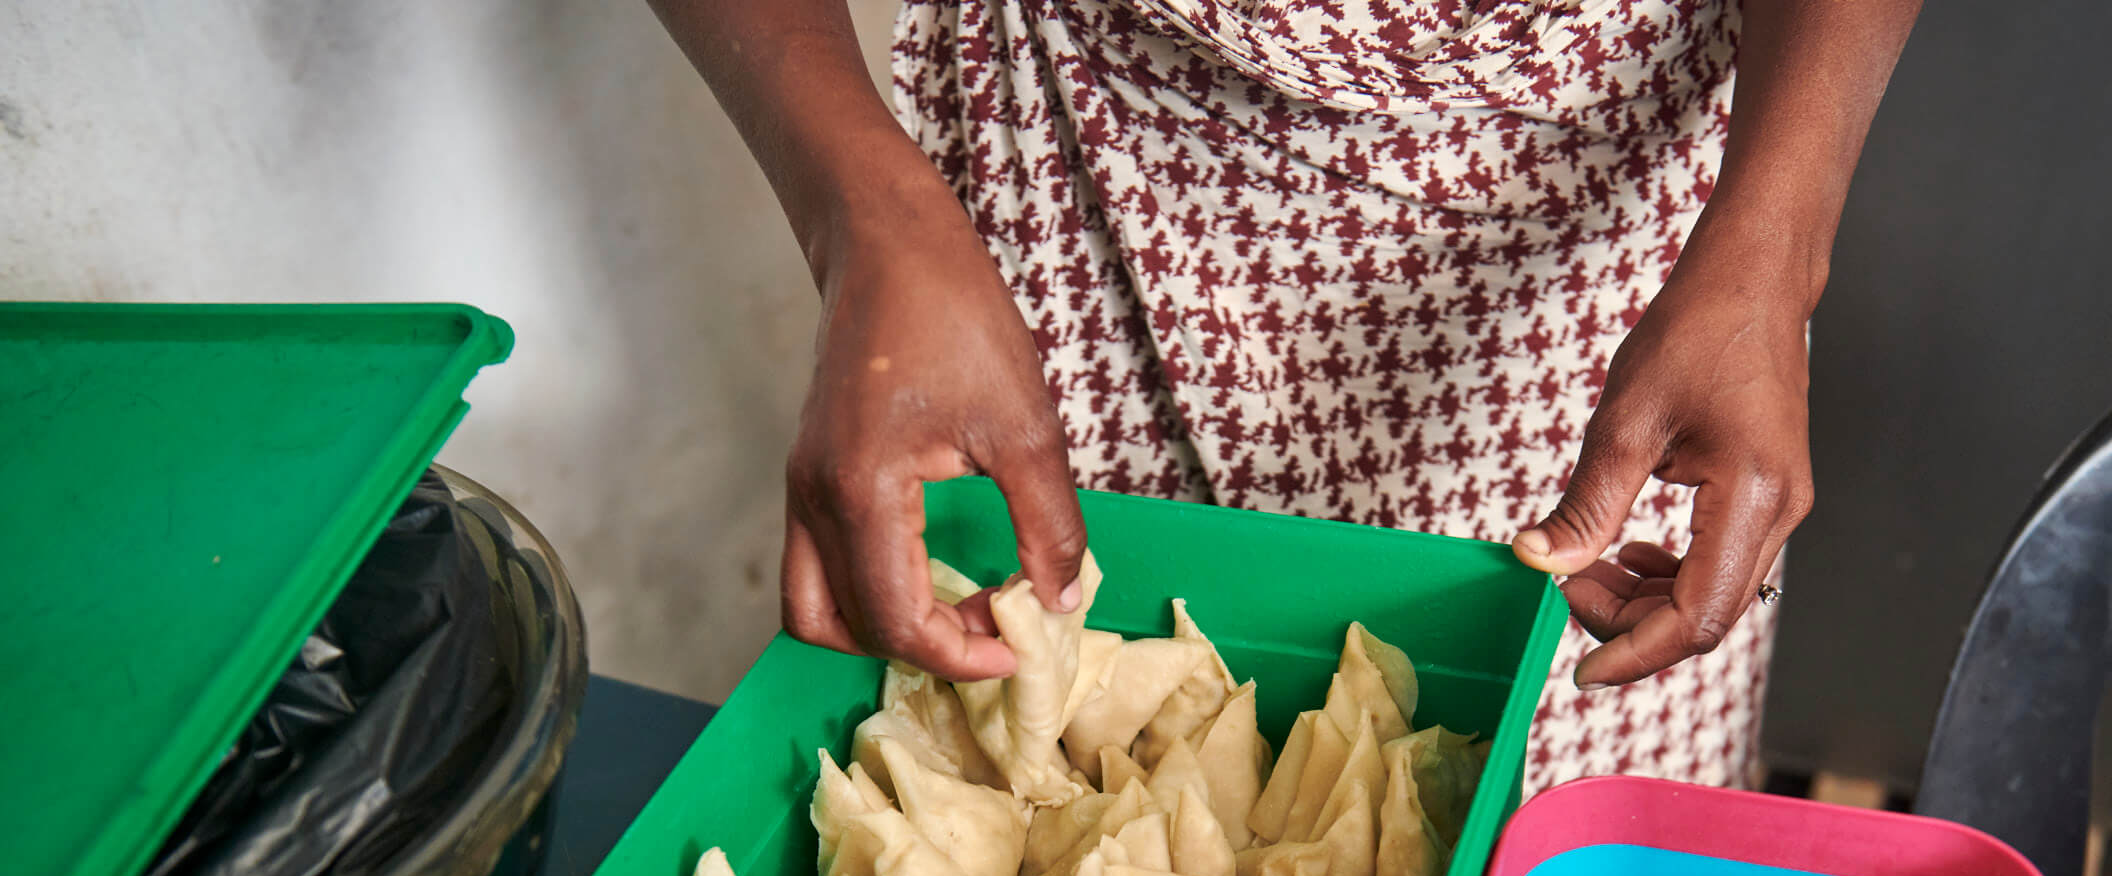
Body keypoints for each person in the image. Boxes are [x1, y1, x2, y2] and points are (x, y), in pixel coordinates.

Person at [652, 0, 1919, 789]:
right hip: (1079, 178)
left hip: (1612, 244)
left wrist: (1774, 250)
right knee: (1040, 798)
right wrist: (865, 219)